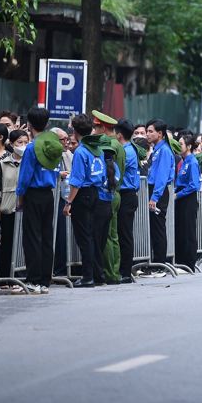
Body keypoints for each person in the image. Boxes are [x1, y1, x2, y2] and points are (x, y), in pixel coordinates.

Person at [13, 108, 63, 295]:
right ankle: (44, 280)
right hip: (49, 194)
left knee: (32, 237)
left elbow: (24, 177)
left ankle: (33, 280)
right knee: (46, 237)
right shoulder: (55, 144)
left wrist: (20, 198)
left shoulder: (32, 148)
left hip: (33, 194)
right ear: (47, 123)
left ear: (30, 125)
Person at [63, 114, 103, 287]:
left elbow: (77, 179)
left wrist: (68, 202)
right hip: (95, 192)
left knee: (83, 237)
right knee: (90, 236)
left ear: (74, 130)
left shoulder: (80, 151)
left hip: (83, 195)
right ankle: (96, 274)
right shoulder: (97, 149)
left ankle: (87, 276)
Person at [91, 111, 126, 285]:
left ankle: (109, 273)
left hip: (106, 194)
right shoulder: (118, 144)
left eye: (96, 127)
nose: (94, 131)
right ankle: (114, 272)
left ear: (102, 128)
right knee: (113, 237)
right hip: (115, 192)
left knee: (106, 238)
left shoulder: (107, 145)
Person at [115, 119, 143, 283]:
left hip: (127, 195)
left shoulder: (126, 152)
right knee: (122, 234)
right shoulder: (129, 149)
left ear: (118, 135)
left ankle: (125, 272)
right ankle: (122, 270)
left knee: (124, 235)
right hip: (126, 194)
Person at [0, 130, 28, 284]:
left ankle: (23, 276)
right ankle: (5, 278)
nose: (23, 146)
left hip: (27, 210)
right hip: (8, 208)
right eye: (19, 142)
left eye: (25, 142)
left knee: (26, 243)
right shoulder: (3, 164)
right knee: (7, 244)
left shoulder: (31, 162)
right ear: (11, 144)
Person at [147, 119, 176, 275]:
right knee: (155, 228)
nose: (147, 134)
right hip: (156, 191)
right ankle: (157, 263)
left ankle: (159, 265)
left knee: (158, 228)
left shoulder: (164, 150)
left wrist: (155, 197)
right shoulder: (157, 149)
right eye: (147, 131)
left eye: (151, 131)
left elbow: (162, 176)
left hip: (159, 192)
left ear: (160, 133)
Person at [93, 137, 120, 285]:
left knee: (95, 244)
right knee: (102, 243)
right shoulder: (114, 167)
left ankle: (98, 275)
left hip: (98, 206)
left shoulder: (98, 165)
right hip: (108, 206)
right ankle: (100, 275)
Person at [173, 130, 201, 270]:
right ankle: (181, 260)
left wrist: (178, 195)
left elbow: (194, 185)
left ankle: (189, 262)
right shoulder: (184, 162)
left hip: (187, 200)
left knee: (188, 231)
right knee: (181, 230)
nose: (179, 146)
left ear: (188, 146)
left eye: (181, 144)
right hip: (181, 199)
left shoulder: (192, 162)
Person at [52, 128, 73, 277]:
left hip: (64, 199)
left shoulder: (68, 155)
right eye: (63, 139)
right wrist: (57, 174)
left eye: (67, 139)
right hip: (50, 198)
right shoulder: (48, 154)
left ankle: (61, 269)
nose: (66, 143)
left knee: (62, 236)